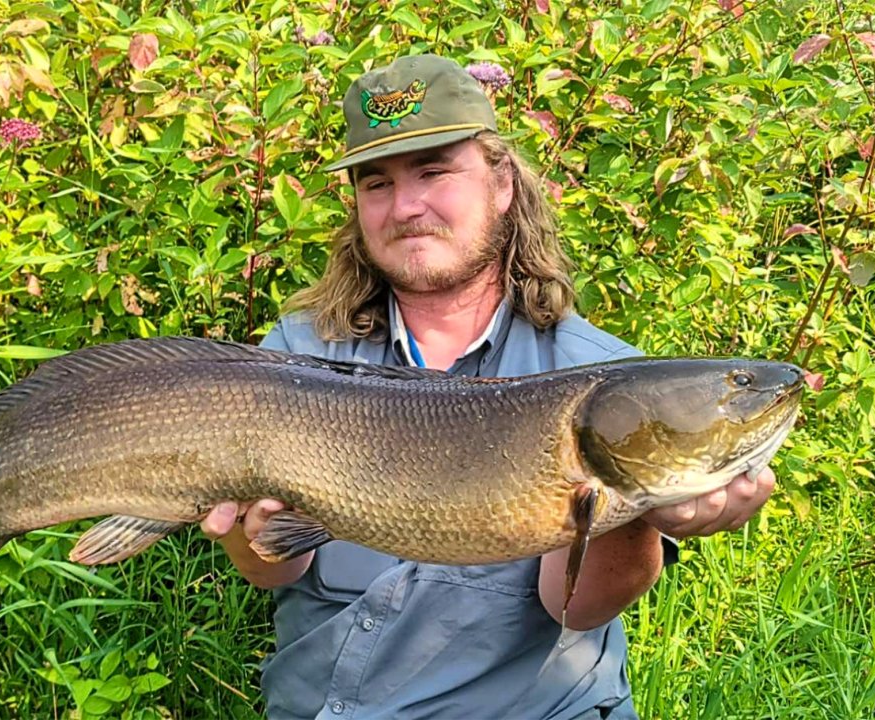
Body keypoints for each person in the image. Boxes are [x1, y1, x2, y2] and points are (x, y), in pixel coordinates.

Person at [201, 54, 775, 719]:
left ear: (501, 181)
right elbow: (270, 567)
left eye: (434, 171)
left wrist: (634, 508)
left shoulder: (602, 381)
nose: (406, 206)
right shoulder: (298, 356)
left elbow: (578, 606)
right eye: (375, 183)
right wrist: (249, 530)